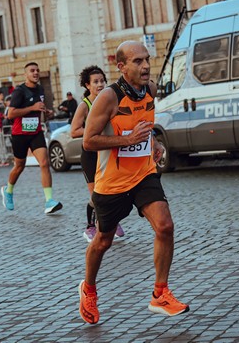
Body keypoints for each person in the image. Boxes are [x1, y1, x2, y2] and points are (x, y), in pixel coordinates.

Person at [78, 41, 189, 324]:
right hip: (112, 182)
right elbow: (88, 140)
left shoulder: (149, 90)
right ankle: (88, 289)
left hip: (143, 174)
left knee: (165, 226)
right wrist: (128, 140)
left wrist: (153, 145)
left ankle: (160, 293)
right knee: (103, 241)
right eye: (138, 61)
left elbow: (145, 126)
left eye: (147, 59)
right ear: (121, 66)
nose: (146, 66)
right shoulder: (108, 97)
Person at [70, 66, 125, 243]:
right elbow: (74, 130)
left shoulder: (110, 100)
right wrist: (93, 130)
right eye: (96, 82)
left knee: (114, 191)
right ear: (88, 85)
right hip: (91, 154)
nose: (100, 84)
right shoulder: (84, 105)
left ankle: (110, 222)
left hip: (108, 153)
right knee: (96, 195)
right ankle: (90, 227)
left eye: (102, 80)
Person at [0, 61, 62, 214]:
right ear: (25, 74)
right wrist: (32, 108)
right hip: (19, 134)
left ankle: (49, 201)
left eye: (37, 70)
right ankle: (8, 191)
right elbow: (11, 113)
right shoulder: (19, 91)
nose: (35, 73)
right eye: (32, 70)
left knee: (44, 163)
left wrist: (46, 112)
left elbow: (39, 109)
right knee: (19, 166)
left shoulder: (40, 89)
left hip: (35, 132)